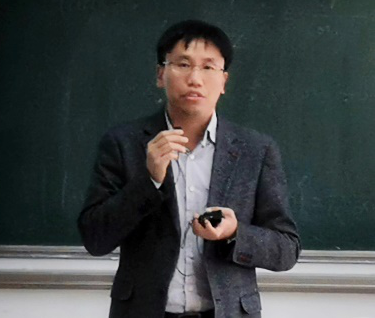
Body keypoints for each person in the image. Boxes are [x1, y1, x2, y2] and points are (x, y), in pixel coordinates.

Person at [78, 19, 299, 318]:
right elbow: (95, 239)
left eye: (208, 67)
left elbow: (286, 248)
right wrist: (149, 181)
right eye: (183, 64)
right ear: (160, 74)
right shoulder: (123, 143)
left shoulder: (256, 150)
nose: (195, 78)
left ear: (224, 81)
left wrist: (234, 233)